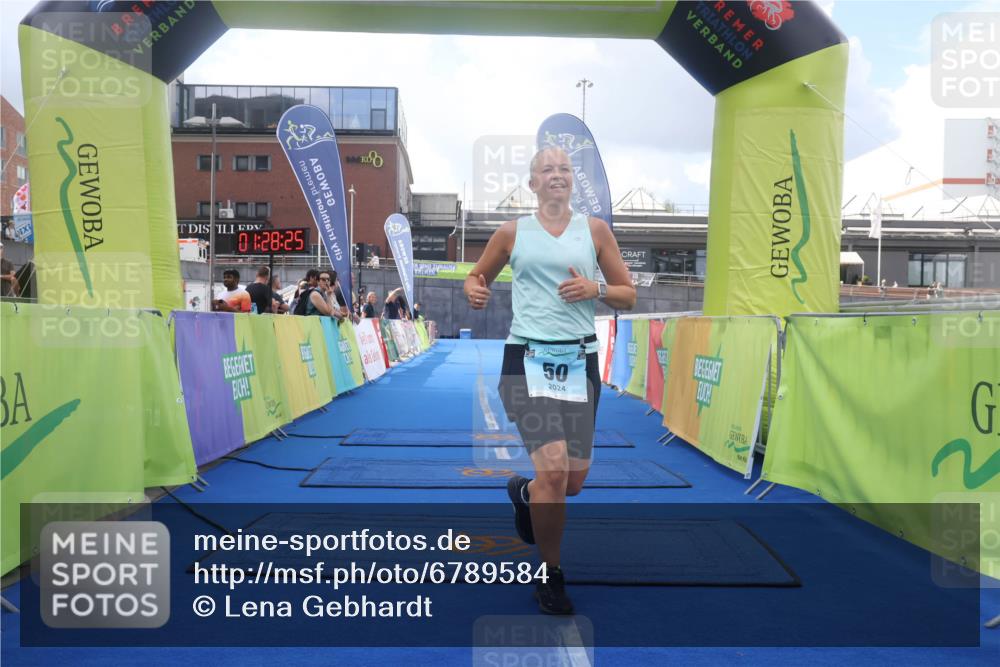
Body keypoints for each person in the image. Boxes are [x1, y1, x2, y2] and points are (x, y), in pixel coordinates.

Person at [464, 146, 635, 615]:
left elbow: (629, 295)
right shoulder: (511, 232)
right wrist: (474, 288)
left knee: (571, 484)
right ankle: (550, 575)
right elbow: (477, 276)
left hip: (580, 362)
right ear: (533, 183)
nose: (557, 176)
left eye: (564, 169)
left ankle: (524, 494)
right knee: (554, 470)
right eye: (547, 170)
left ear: (572, 182)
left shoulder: (595, 231)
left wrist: (595, 288)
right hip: (527, 359)